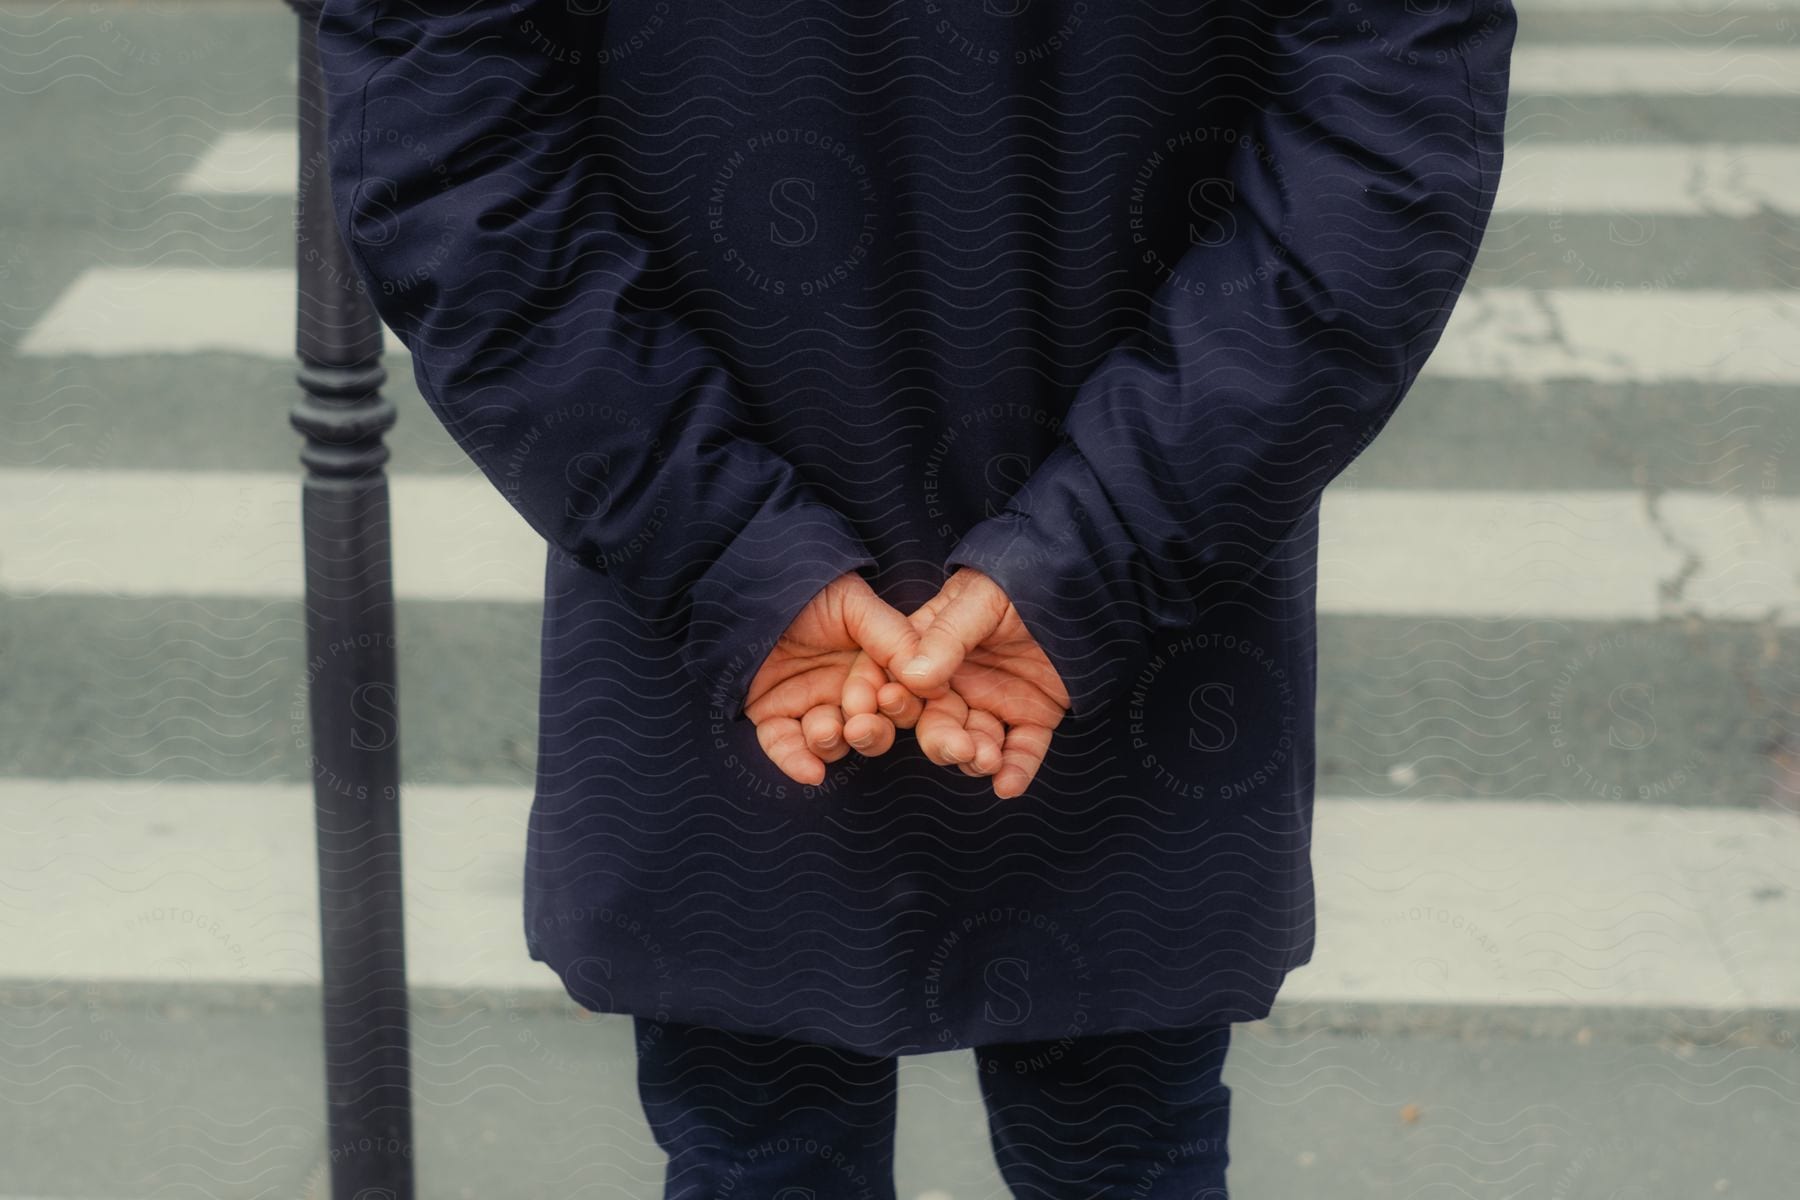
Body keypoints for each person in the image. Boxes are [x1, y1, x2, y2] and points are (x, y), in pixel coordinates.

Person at [314, 0, 1515, 1194]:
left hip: (732, 551)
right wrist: (1105, 545)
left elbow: (449, 135)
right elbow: (1383, 130)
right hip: (1133, 554)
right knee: (1116, 1147)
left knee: (774, 1148)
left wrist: (726, 547)